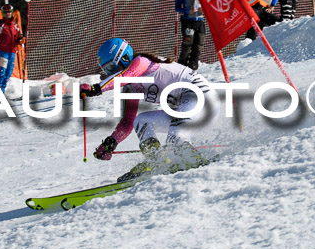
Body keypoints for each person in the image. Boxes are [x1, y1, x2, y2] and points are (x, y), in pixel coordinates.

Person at [79, 37, 220, 183]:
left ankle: (201, 167)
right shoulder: (130, 88)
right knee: (142, 121)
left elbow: (125, 75)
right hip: (185, 108)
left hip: (203, 98)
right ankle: (157, 161)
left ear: (124, 57)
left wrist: (96, 88)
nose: (109, 74)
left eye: (111, 68)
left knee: (175, 137)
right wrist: (110, 143)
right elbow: (127, 122)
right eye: (106, 70)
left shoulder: (141, 62)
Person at [0, 4, 25, 102]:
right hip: (3, 52)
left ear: (11, 12)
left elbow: (19, 37)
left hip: (13, 52)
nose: (7, 14)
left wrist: (21, 40)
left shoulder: (15, 25)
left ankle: (0, 94)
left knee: (8, 74)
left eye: (9, 12)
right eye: (5, 12)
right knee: (1, 73)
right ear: (3, 13)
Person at [175, 0, 205, 70]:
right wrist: (187, 11)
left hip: (199, 21)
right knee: (187, 44)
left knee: (198, 44)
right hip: (188, 21)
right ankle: (182, 64)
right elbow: (177, 7)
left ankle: (194, 63)